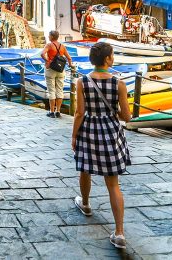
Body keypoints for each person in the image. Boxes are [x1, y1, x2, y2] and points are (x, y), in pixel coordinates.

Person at [72, 41, 132, 250]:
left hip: (89, 129)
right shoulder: (119, 84)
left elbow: (79, 112)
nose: (113, 57)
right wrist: (113, 113)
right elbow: (126, 116)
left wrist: (73, 136)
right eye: (112, 55)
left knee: (85, 168)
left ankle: (86, 204)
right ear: (107, 59)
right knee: (113, 184)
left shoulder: (82, 81)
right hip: (110, 131)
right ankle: (119, 233)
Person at [41, 30, 73, 117]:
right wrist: (70, 65)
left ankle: (51, 112)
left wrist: (48, 61)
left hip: (50, 69)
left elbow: (42, 54)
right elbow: (69, 58)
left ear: (51, 37)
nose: (48, 37)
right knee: (59, 90)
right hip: (60, 70)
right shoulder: (62, 46)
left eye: (49, 35)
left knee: (51, 90)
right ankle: (58, 111)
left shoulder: (49, 45)